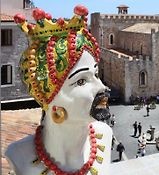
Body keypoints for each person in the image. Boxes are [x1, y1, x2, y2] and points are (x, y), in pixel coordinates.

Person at [5, 5, 113, 175]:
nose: (102, 87)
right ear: (49, 98)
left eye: (97, 74)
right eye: (81, 81)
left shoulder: (105, 135)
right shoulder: (17, 155)